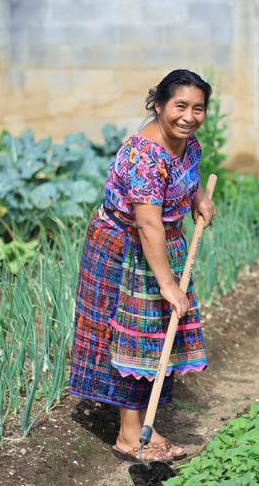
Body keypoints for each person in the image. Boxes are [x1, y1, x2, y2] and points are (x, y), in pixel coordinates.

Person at [68, 69, 216, 463]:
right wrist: (168, 285)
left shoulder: (187, 143)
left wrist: (198, 198)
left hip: (159, 242)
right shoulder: (144, 155)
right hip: (124, 246)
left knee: (155, 333)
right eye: (180, 106)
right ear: (159, 105)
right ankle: (130, 436)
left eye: (198, 108)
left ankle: (143, 426)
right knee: (132, 336)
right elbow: (148, 223)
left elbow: (186, 178)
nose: (189, 116)